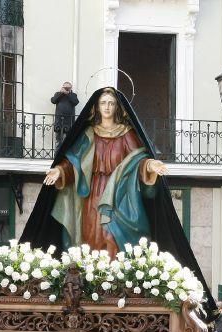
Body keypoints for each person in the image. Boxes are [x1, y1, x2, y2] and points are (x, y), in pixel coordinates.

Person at [43, 87, 168, 255]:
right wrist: (59, 171)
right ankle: (94, 276)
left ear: (117, 107)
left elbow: (138, 160)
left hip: (120, 193)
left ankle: (118, 278)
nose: (107, 107)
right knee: (92, 236)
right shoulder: (89, 134)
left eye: (111, 103)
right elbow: (74, 162)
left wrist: (151, 166)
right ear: (96, 107)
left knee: (113, 238)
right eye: (103, 103)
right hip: (93, 195)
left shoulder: (126, 134)